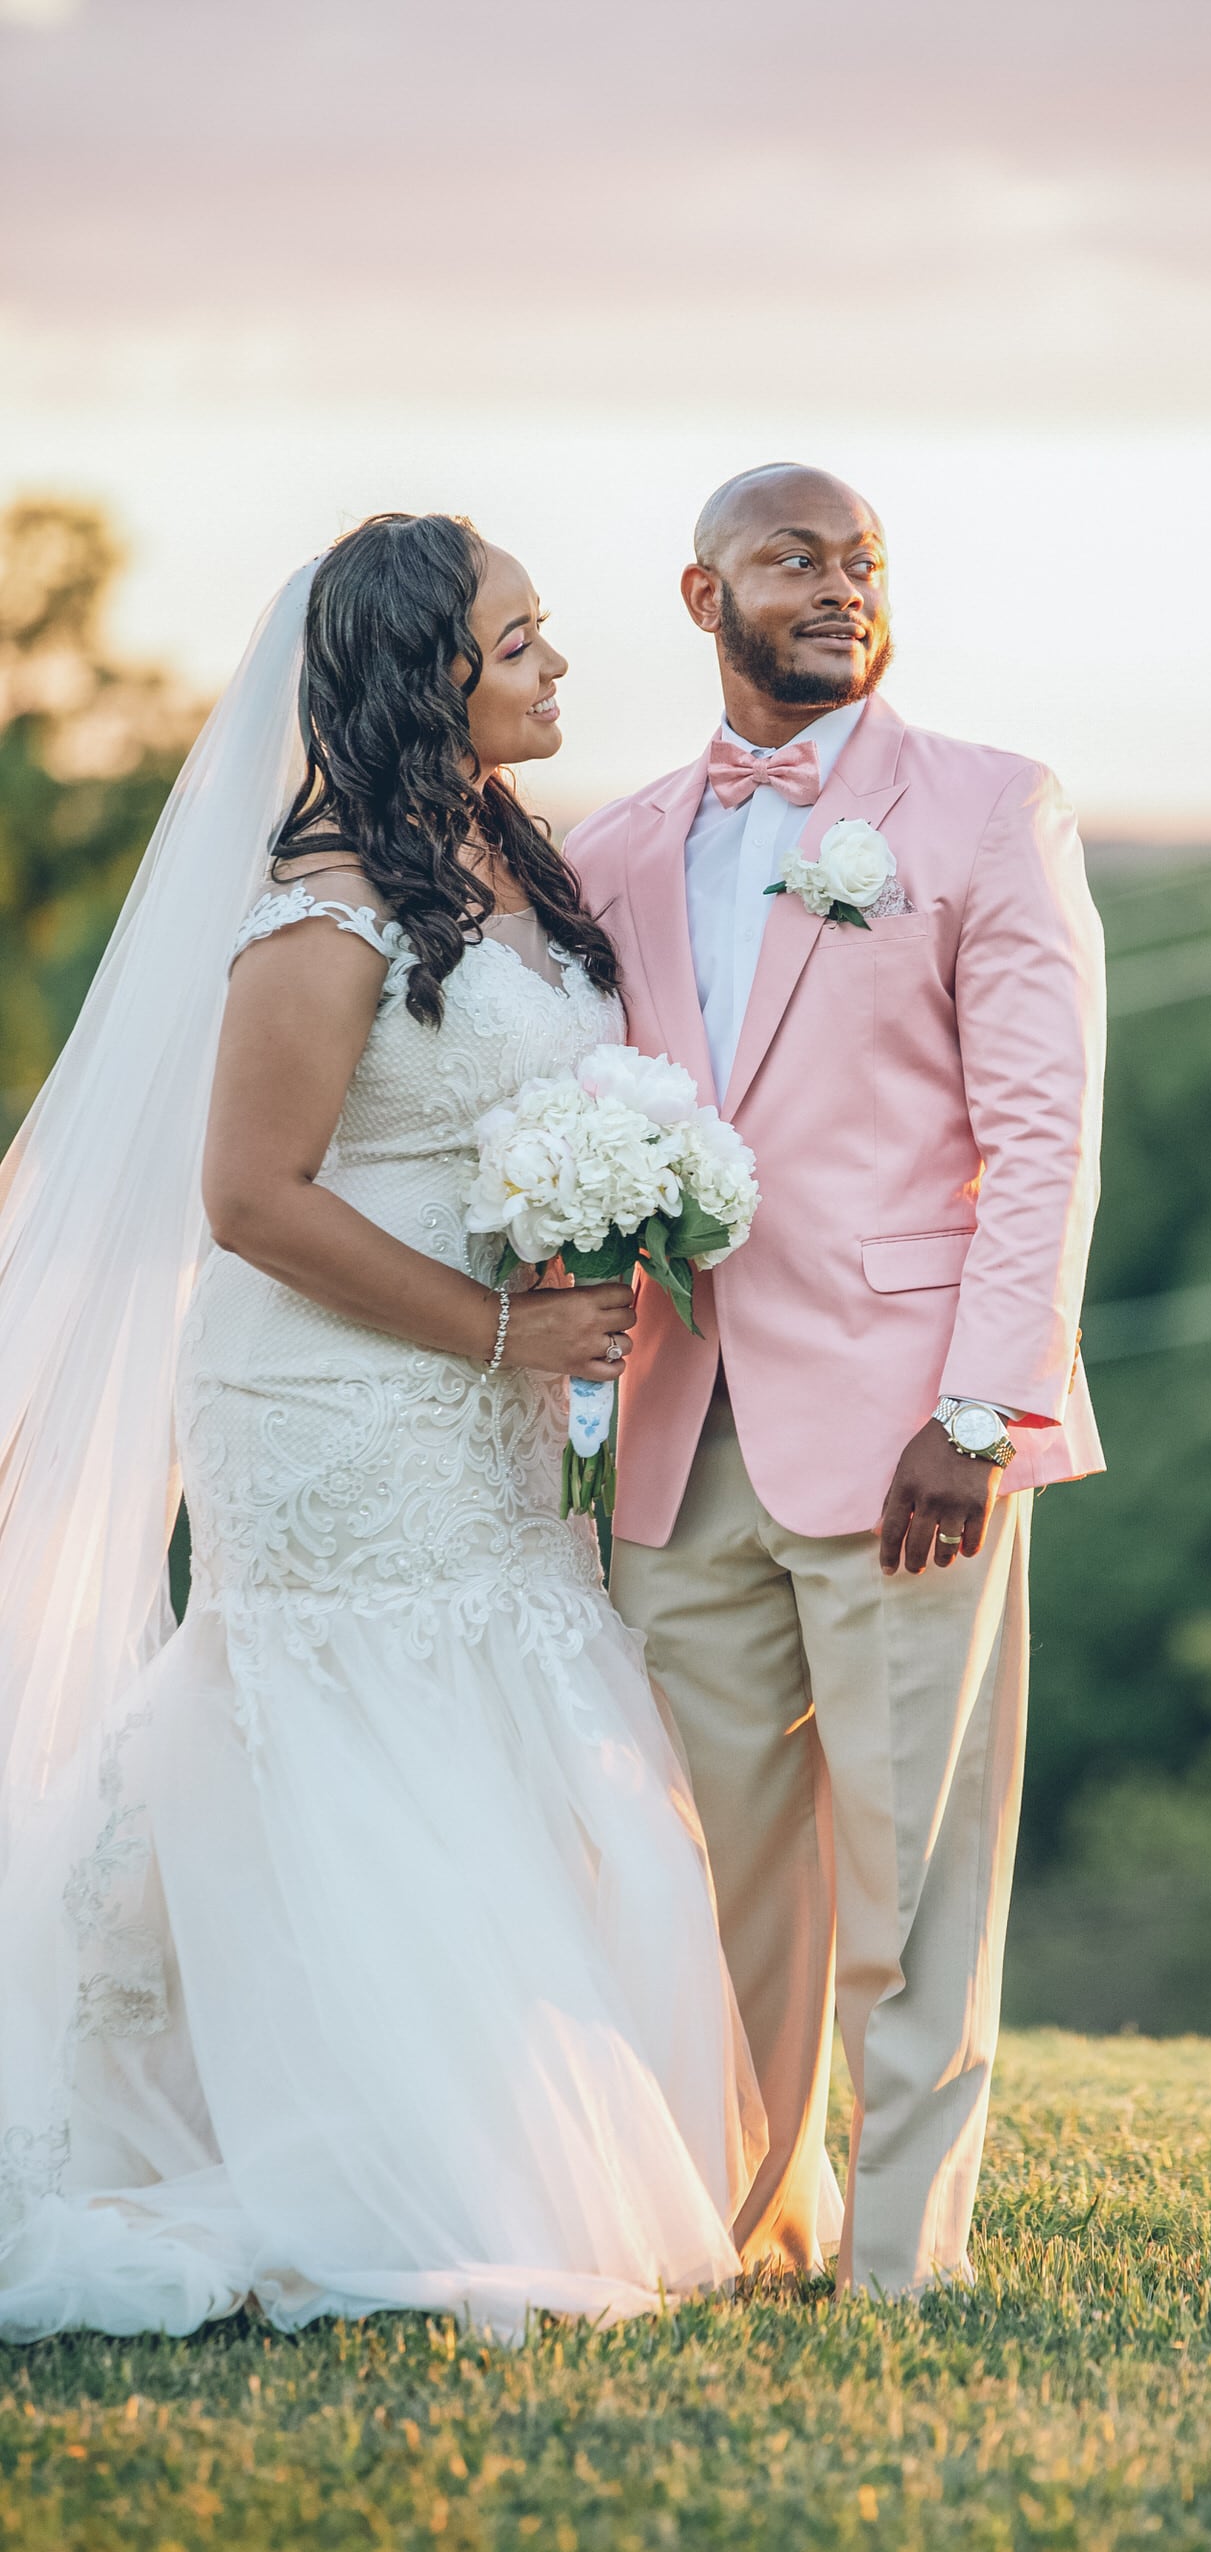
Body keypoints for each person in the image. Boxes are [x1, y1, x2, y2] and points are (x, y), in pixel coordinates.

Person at [0, 513, 765, 2343]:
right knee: (358, 1723)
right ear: (433, 674)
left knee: (497, 1702)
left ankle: (501, 2127)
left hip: (488, 1403)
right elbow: (249, 1197)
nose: (558, 666)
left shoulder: (504, 860)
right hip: (333, 1396)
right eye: (522, 641)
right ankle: (380, 2158)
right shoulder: (326, 902)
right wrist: (503, 1328)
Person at [565, 463, 1107, 2296]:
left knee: (912, 1872)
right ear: (703, 590)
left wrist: (978, 1415)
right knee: (710, 1879)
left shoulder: (984, 808)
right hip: (677, 1435)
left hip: (907, 1435)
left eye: (863, 560)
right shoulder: (620, 845)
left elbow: (1040, 1137)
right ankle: (733, 2232)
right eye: (795, 557)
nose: (839, 585)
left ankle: (903, 2260)